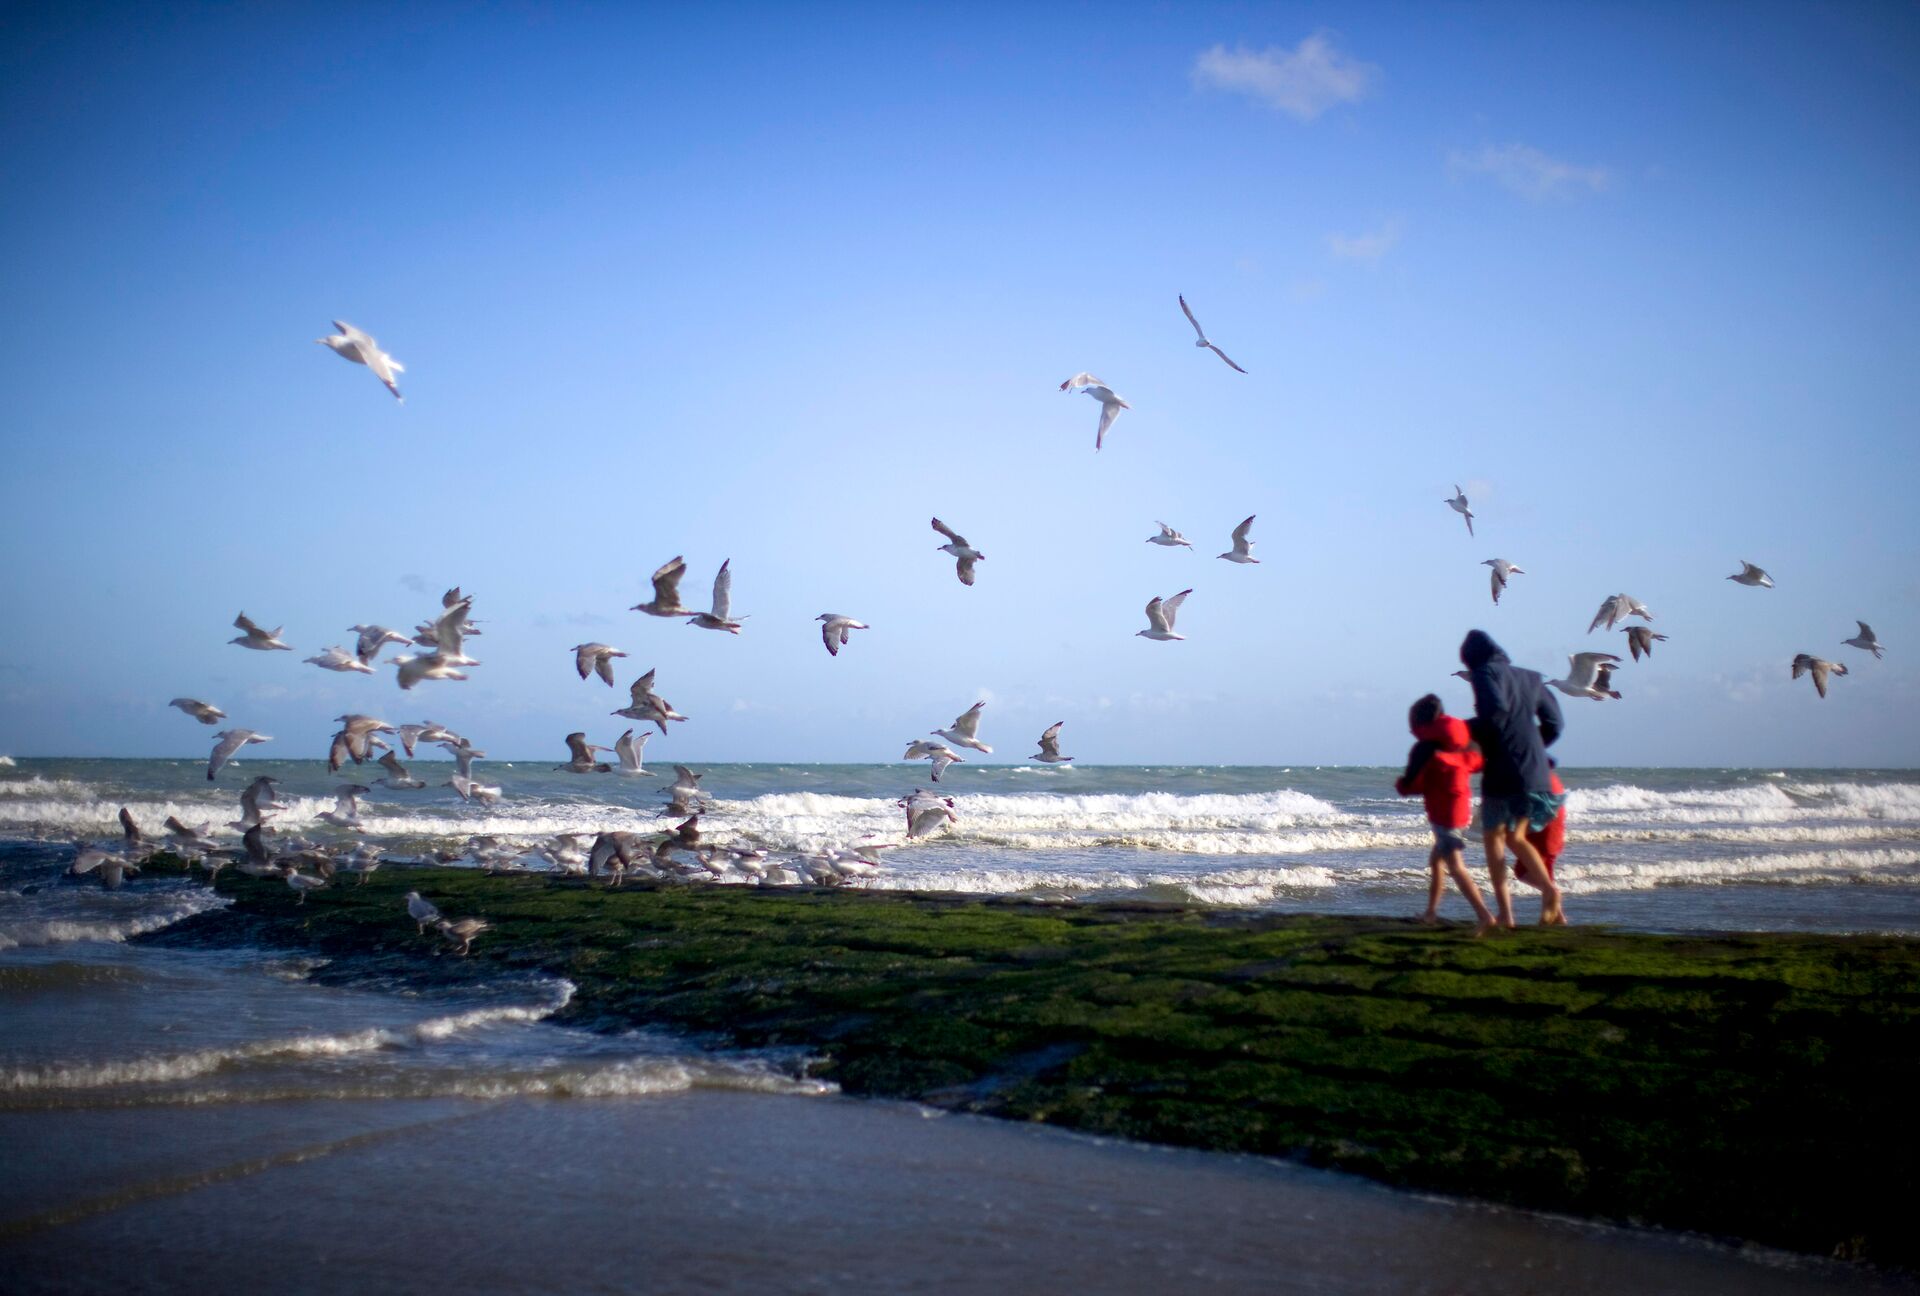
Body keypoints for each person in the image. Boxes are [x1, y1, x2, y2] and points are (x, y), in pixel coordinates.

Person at [1459, 630, 1568, 926]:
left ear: (1470, 660)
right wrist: (1532, 746)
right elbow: (1555, 723)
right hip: (1535, 770)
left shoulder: (1484, 674)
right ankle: (1549, 890)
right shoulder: (1532, 677)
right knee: (1516, 837)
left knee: (1494, 840)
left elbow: (1494, 713)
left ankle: (1506, 915)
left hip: (1502, 771)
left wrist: (1462, 729)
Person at [1394, 694, 1497, 935]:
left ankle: (1485, 916)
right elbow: (1476, 763)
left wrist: (1403, 785)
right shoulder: (1462, 744)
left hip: (1445, 814)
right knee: (1436, 861)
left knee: (1456, 866)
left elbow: (1412, 784)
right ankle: (1431, 913)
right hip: (1459, 808)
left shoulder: (1428, 749)